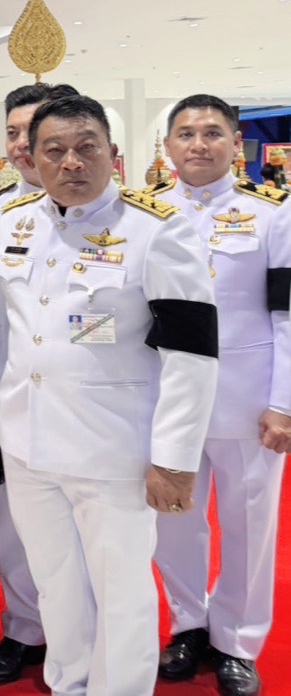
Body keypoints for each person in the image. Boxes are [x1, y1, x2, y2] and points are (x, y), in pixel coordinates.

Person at [0, 94, 219, 696]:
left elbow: (191, 353)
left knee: (122, 593)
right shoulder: (15, 223)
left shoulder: (156, 230)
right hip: (29, 444)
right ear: (31, 158)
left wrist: (175, 459)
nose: (71, 163)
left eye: (86, 148)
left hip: (114, 450)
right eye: (54, 150)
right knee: (56, 583)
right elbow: (4, 333)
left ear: (113, 153)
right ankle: (69, 683)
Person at [153, 95, 291, 696]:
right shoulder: (148, 213)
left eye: (213, 133)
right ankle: (188, 623)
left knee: (250, 523)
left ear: (237, 144)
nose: (198, 144)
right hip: (167, 400)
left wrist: (284, 402)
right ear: (168, 147)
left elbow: (287, 315)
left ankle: (237, 640)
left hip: (247, 398)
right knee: (173, 523)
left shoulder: (273, 214)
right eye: (185, 133)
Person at [0, 82, 76, 682]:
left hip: (92, 405)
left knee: (89, 532)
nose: (21, 144)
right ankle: (24, 629)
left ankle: (82, 639)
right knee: (15, 526)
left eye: (31, 131)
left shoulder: (123, 215)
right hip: (16, 399)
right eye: (12, 133)